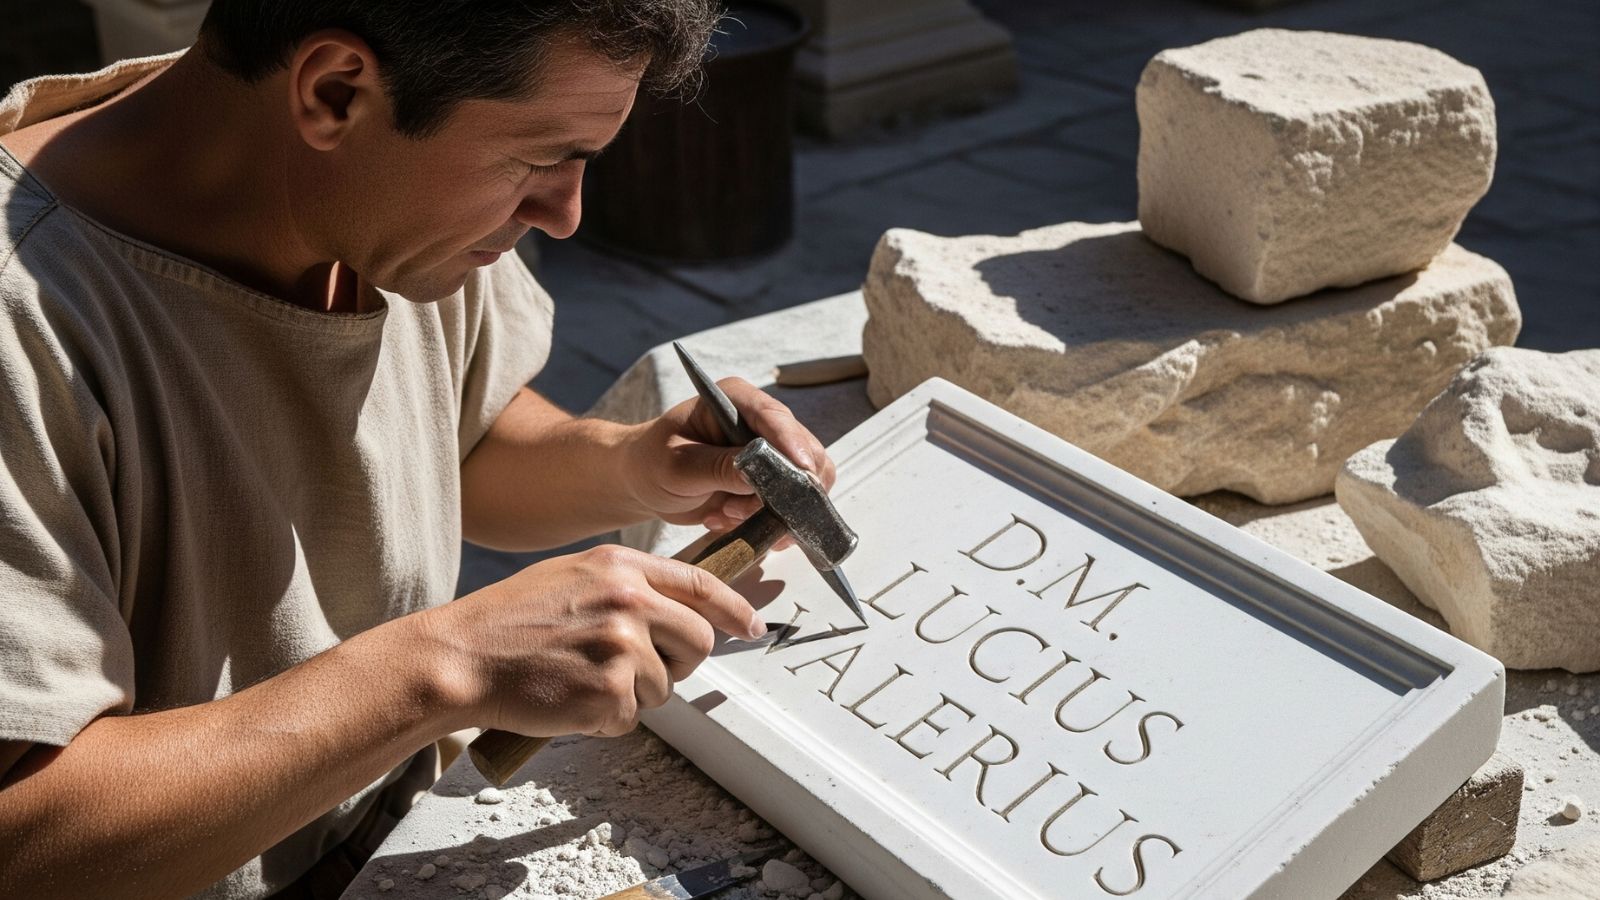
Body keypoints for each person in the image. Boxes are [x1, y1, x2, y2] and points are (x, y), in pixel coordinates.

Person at [0, 2, 836, 897]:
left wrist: (632, 463)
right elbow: (26, 846)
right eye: (543, 158)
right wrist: (446, 666)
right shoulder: (29, 324)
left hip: (387, 830)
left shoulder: (370, 191)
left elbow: (460, 443)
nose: (563, 216)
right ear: (335, 91)